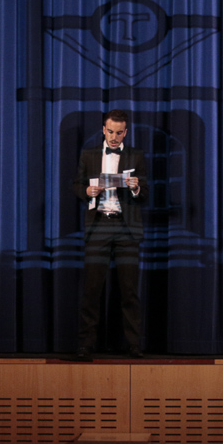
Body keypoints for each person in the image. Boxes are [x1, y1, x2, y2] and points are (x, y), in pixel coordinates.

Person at [70, 109, 149, 361]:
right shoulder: (89, 154)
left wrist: (137, 188)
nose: (114, 137)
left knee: (129, 291)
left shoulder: (136, 155)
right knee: (92, 290)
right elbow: (76, 185)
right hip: (99, 226)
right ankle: (85, 345)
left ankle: (134, 345)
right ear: (104, 130)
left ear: (125, 132)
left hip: (127, 228)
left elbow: (145, 192)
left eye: (119, 132)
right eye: (110, 132)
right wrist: (86, 190)